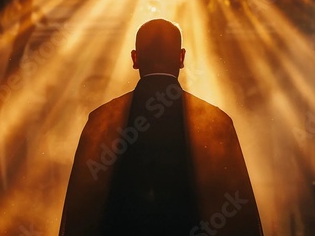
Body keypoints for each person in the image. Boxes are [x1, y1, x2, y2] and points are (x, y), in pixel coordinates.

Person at [59, 19, 263, 236]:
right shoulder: (216, 121)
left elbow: (79, 209)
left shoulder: (101, 120)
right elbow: (241, 211)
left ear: (135, 59)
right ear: (181, 58)